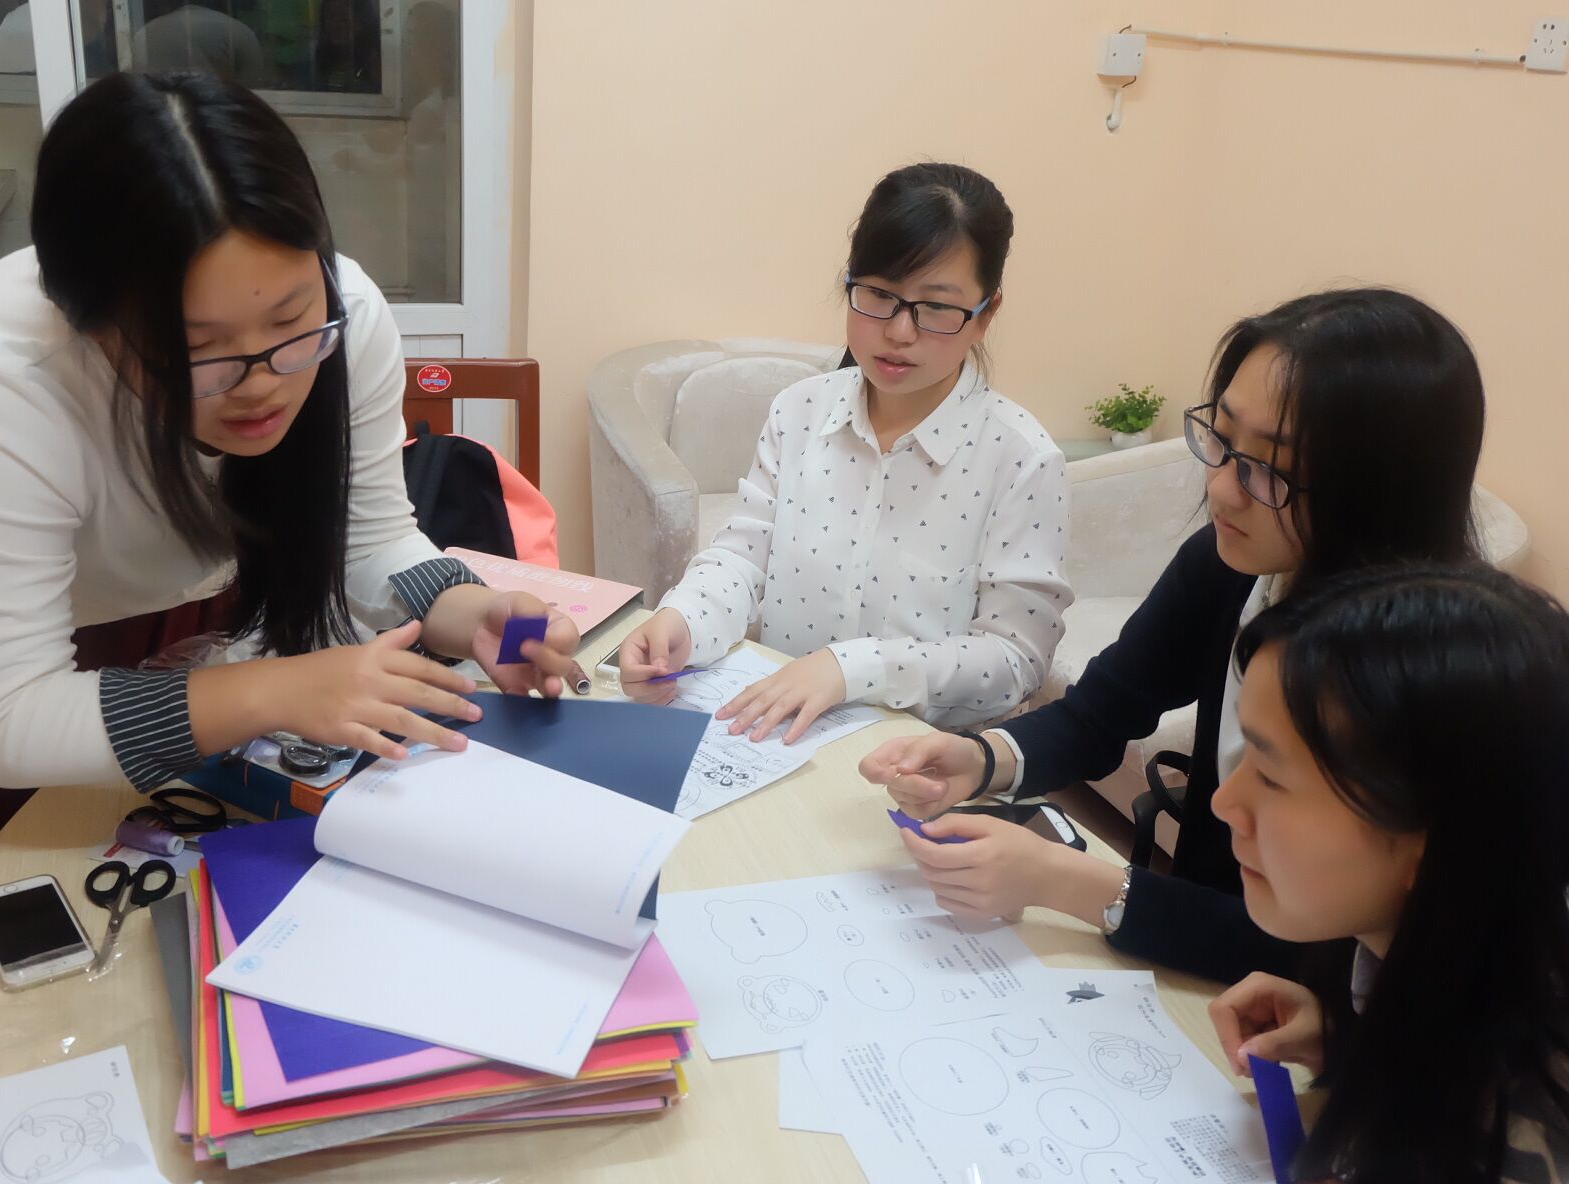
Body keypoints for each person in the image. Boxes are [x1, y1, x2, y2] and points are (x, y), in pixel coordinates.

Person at [0, 72, 578, 975]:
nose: (264, 382)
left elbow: (372, 537)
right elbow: (6, 720)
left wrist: (478, 610)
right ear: (91, 326)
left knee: (206, 923)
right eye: (201, 353)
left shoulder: (347, 318)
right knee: (42, 957)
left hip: (193, 630)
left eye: (291, 322)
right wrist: (278, 690)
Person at [862, 287, 1486, 982]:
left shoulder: (1424, 680)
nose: (1221, 489)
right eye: (1223, 440)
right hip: (1210, 980)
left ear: (1381, 489)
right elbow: (1100, 713)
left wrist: (1070, 881)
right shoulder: (1230, 566)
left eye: (1269, 468)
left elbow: (1345, 954)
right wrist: (980, 759)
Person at [618, 162, 1072, 741]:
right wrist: (682, 620)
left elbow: (1015, 660)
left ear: (986, 315)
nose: (900, 332)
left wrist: (851, 669)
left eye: (936, 307)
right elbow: (742, 559)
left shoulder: (1022, 460)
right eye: (879, 294)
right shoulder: (798, 412)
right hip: (775, 742)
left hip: (925, 763)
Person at [1209, 565, 1569, 1183]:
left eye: (1270, 776)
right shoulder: (1455, 965)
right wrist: (1355, 1041)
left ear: (1432, 845)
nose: (1225, 803)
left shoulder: (1512, 1131)